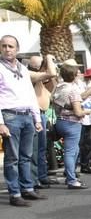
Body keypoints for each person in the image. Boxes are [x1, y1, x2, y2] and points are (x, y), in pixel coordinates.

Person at [0, 34, 46, 206]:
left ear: (17, 49)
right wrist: (1, 123)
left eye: (10, 46)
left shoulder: (23, 69)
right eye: (4, 46)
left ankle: (27, 188)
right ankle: (15, 193)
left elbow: (30, 94)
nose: (7, 49)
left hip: (27, 115)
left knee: (26, 156)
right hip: (10, 116)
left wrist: (37, 118)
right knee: (12, 158)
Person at [51, 62, 91, 189]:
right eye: (78, 72)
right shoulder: (73, 89)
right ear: (74, 75)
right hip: (72, 123)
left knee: (73, 151)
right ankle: (71, 179)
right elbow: (78, 112)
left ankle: (71, 176)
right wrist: (87, 111)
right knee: (70, 152)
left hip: (60, 121)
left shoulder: (58, 87)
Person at [27, 54, 57, 189]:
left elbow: (53, 87)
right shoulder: (31, 78)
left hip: (42, 114)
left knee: (41, 148)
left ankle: (42, 175)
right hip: (34, 115)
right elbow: (50, 73)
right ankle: (34, 179)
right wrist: (48, 60)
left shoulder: (42, 81)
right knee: (33, 150)